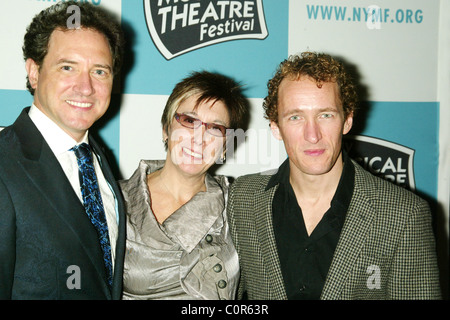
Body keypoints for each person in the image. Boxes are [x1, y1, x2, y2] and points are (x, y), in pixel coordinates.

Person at [227, 52, 442, 300]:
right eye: (295, 117)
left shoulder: (404, 214)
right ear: (276, 127)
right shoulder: (241, 198)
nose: (312, 134)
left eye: (325, 115)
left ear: (347, 120)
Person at [0, 1, 126, 299]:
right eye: (67, 67)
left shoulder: (100, 161)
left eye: (99, 72)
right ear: (34, 71)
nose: (85, 87)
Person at [120, 71, 248, 300]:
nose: (199, 138)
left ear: (226, 147)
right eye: (189, 121)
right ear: (166, 128)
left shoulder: (238, 207)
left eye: (215, 128)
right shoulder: (113, 200)